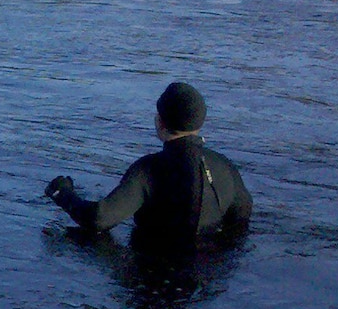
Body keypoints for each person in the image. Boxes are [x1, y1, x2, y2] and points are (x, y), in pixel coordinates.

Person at [45, 82, 252, 244]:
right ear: (201, 121)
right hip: (208, 277)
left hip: (155, 274)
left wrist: (63, 194)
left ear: (160, 122)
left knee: (88, 241)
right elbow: (243, 212)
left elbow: (99, 219)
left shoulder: (148, 170)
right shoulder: (224, 165)